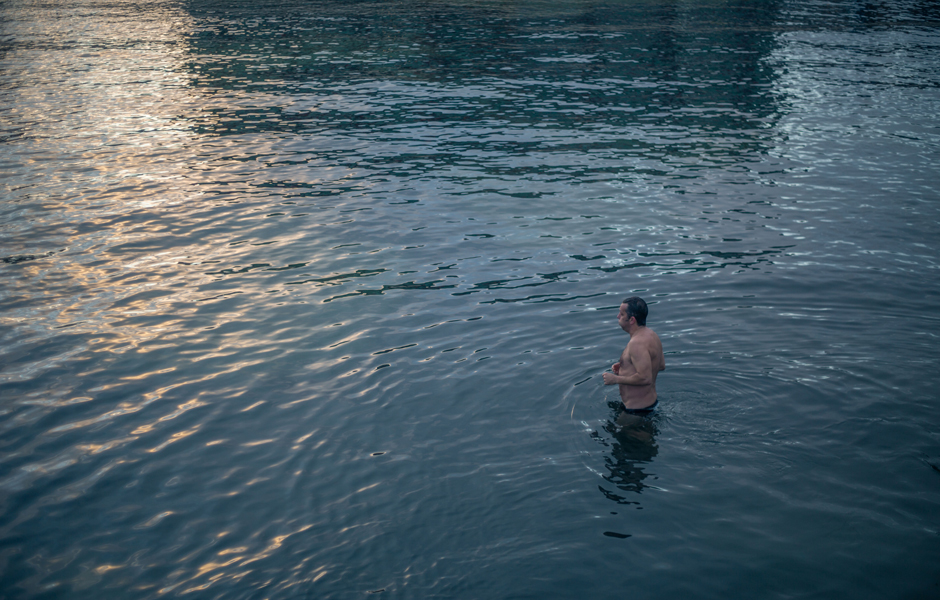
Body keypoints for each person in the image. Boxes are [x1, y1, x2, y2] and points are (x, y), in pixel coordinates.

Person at [602, 296, 665, 412]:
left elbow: (645, 378)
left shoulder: (636, 344)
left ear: (632, 320)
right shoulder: (652, 335)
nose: (618, 316)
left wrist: (615, 379)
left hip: (637, 411)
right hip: (650, 404)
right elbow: (660, 365)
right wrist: (626, 366)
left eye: (621, 314)